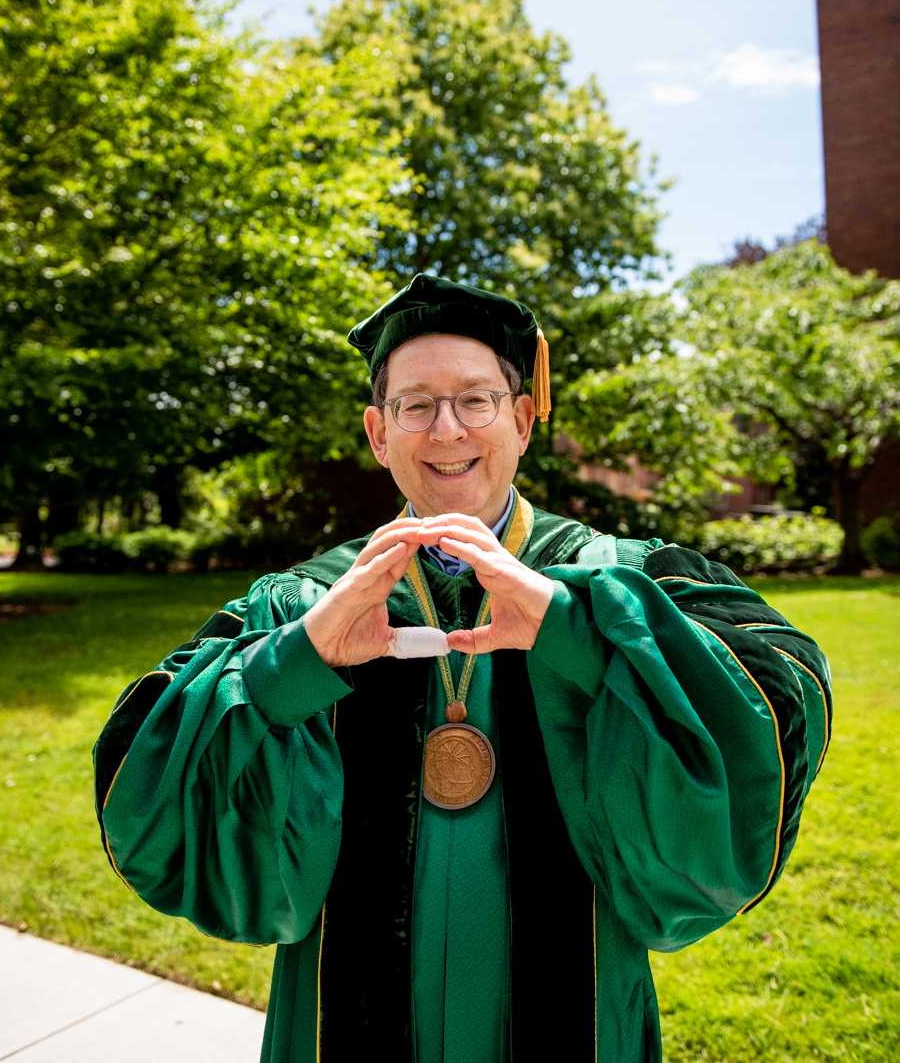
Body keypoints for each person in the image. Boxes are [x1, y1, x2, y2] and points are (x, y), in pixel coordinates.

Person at [93, 272, 832, 1063]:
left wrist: (577, 629)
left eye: (475, 401)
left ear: (520, 420)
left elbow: (776, 691)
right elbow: (150, 774)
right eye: (416, 405)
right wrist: (296, 659)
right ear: (380, 434)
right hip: (345, 1013)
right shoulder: (315, 598)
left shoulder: (612, 574)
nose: (447, 430)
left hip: (570, 1012)